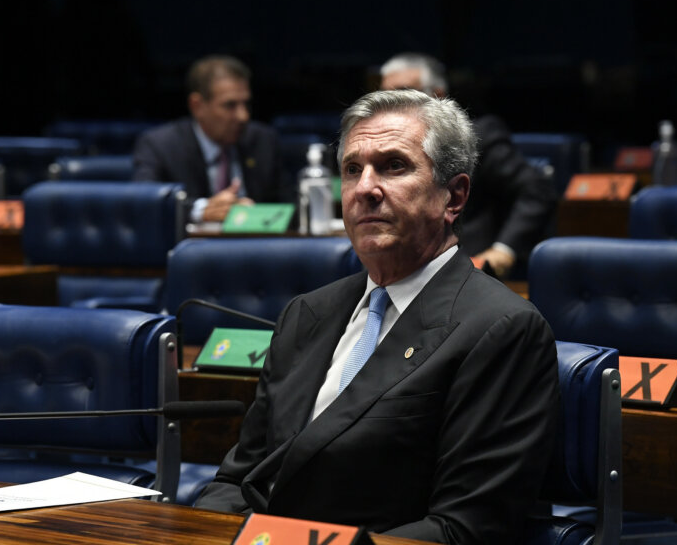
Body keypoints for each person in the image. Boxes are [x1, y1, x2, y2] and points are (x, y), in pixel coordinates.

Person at [193, 89, 560, 545]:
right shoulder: (307, 313)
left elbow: (464, 529)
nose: (365, 188)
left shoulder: (502, 330)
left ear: (455, 196)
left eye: (393, 166)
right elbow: (237, 480)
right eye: (352, 169)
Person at [380, 52, 557, 277]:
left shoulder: (478, 137)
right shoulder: (378, 148)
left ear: (437, 96)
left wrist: (502, 250)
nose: (389, 104)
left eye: (403, 93)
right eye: (383, 95)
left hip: (468, 263)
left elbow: (536, 191)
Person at [132, 55, 281, 222]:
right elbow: (145, 202)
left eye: (246, 104)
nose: (243, 116)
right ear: (197, 106)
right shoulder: (161, 145)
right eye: (230, 105)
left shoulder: (263, 140)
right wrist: (200, 211)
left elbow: (287, 205)